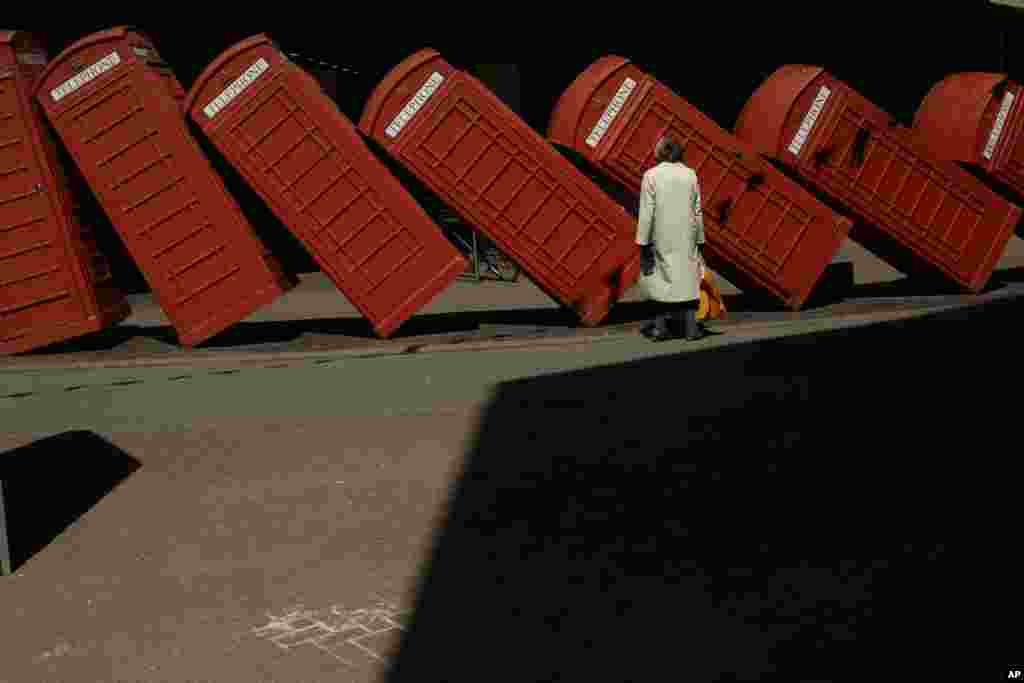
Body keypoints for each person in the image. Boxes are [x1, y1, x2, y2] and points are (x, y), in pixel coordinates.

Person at [636, 134, 706, 341]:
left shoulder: (651, 175)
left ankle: (660, 328)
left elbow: (647, 212)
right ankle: (691, 328)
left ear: (659, 153)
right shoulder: (690, 174)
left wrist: (642, 242)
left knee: (659, 280)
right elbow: (697, 210)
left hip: (661, 233)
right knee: (688, 279)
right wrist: (700, 239)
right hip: (687, 234)